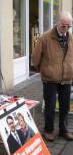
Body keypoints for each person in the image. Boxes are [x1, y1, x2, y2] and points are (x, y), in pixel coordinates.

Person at [32, 11, 73, 142]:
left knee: (65, 106)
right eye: (63, 25)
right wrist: (44, 70)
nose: (65, 29)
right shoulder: (46, 37)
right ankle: (48, 130)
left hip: (67, 77)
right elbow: (35, 58)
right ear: (57, 23)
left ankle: (63, 130)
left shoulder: (71, 37)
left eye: (68, 26)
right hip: (50, 79)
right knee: (50, 106)